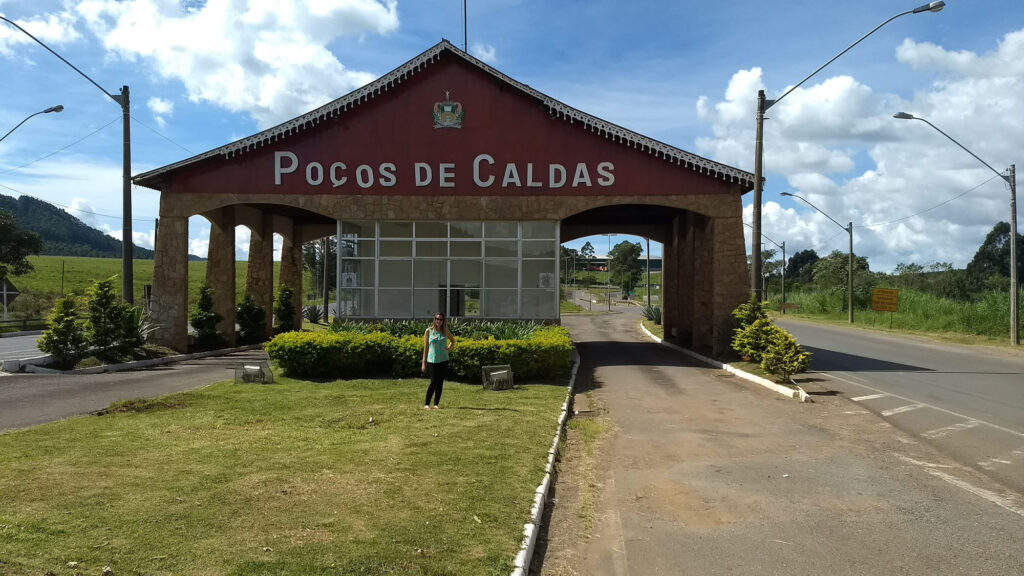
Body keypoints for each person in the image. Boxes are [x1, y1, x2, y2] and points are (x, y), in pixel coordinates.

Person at [421, 312, 455, 409]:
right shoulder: (429, 331)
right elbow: (426, 347)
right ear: (434, 319)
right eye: (437, 319)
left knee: (440, 382)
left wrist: (448, 348)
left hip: (443, 359)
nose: (438, 321)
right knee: (434, 381)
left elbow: (453, 341)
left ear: (443, 321)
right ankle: (427, 404)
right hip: (432, 360)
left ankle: (436, 404)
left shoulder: (445, 331)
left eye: (440, 319)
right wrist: (423, 363)